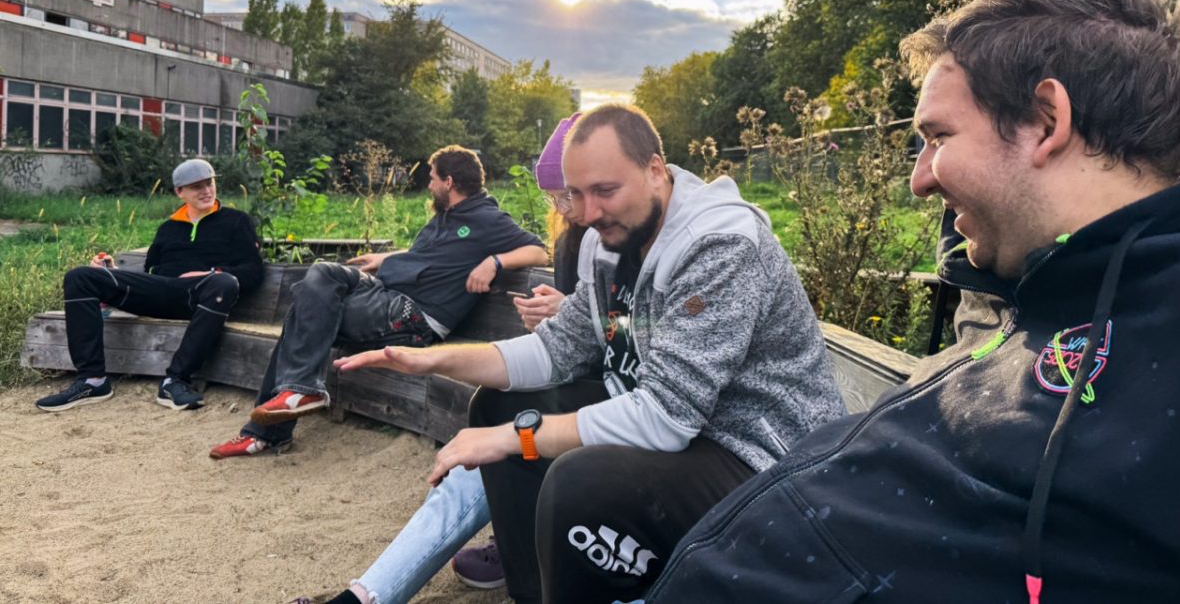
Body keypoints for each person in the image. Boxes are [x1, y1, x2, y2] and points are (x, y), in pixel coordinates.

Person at [639, 0, 1180, 604]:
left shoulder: (1178, 334)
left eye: (937, 138)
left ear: (1047, 122)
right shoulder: (1012, 290)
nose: (919, 179)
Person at [335, 104, 847, 604]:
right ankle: (533, 590)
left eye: (605, 190)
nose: (587, 213)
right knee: (496, 405)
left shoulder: (718, 246)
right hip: (684, 429)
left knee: (578, 480)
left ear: (655, 170)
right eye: (576, 194)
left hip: (761, 460)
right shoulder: (610, 245)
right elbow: (556, 349)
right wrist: (434, 360)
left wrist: (515, 437)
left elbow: (666, 416)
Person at [298, 115, 589, 604]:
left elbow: (632, 343)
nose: (566, 209)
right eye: (558, 198)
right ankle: (365, 597)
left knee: (505, 432)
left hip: (613, 406)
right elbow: (568, 338)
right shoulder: (579, 237)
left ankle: (529, 539)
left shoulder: (650, 240)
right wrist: (431, 360)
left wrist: (572, 309)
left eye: (573, 195)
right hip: (576, 379)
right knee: (487, 421)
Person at [210, 144, 547, 459]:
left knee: (305, 312)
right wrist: (388, 257)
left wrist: (494, 262)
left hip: (413, 315)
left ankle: (268, 430)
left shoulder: (487, 219)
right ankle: (296, 396)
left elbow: (539, 250)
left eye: (432, 178)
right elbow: (428, 254)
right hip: (385, 294)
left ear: (449, 182)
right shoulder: (446, 216)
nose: (429, 185)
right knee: (323, 272)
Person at [35, 158, 263, 413]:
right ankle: (92, 380)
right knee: (80, 276)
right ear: (180, 192)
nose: (206, 191)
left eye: (209, 183)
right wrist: (114, 273)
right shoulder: (168, 228)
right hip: (159, 291)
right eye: (196, 186)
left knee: (224, 282)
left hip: (201, 294)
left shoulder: (237, 221)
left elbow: (253, 271)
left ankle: (175, 381)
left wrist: (211, 273)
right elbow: (151, 271)